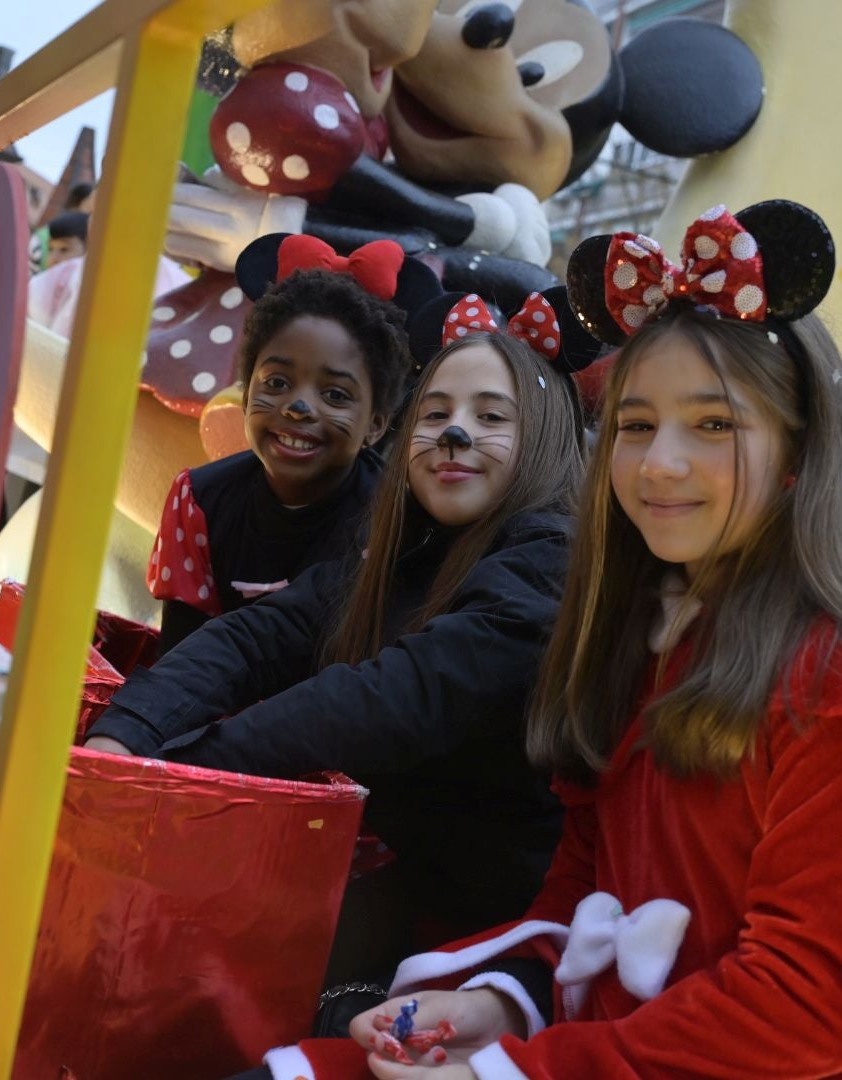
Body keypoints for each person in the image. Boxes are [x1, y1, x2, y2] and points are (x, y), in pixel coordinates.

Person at [247, 202, 842, 1080]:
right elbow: (592, 886)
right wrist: (496, 1000)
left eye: (713, 424)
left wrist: (513, 1070)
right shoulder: (635, 624)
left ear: (797, 450)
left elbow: (806, 1004)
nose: (660, 463)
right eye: (635, 425)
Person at [88, 330, 586, 985]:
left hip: (488, 947)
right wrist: (124, 740)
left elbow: (384, 700)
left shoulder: (549, 562)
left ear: (542, 441)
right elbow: (253, 638)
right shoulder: (397, 553)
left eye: (490, 417)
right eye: (435, 414)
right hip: (381, 894)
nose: (454, 434)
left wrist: (179, 779)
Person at [142, 237, 433, 651]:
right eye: (277, 383)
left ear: (376, 424)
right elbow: (178, 651)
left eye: (335, 395)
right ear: (245, 396)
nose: (298, 406)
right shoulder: (198, 501)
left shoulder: (396, 514)